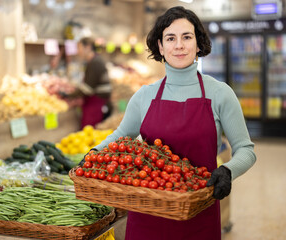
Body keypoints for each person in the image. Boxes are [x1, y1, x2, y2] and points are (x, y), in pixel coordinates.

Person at [81, 6, 256, 240]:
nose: (179, 45)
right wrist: (94, 153)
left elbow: (246, 150)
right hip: (146, 215)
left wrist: (228, 171)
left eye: (187, 37)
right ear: (161, 47)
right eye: (170, 38)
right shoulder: (144, 96)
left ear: (198, 44)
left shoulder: (220, 94)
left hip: (198, 212)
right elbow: (121, 135)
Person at [59, 37, 112, 128]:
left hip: (95, 104)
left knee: (89, 132)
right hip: (95, 102)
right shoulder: (94, 61)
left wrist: (69, 95)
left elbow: (88, 89)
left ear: (87, 47)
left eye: (79, 47)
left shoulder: (95, 62)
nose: (78, 51)